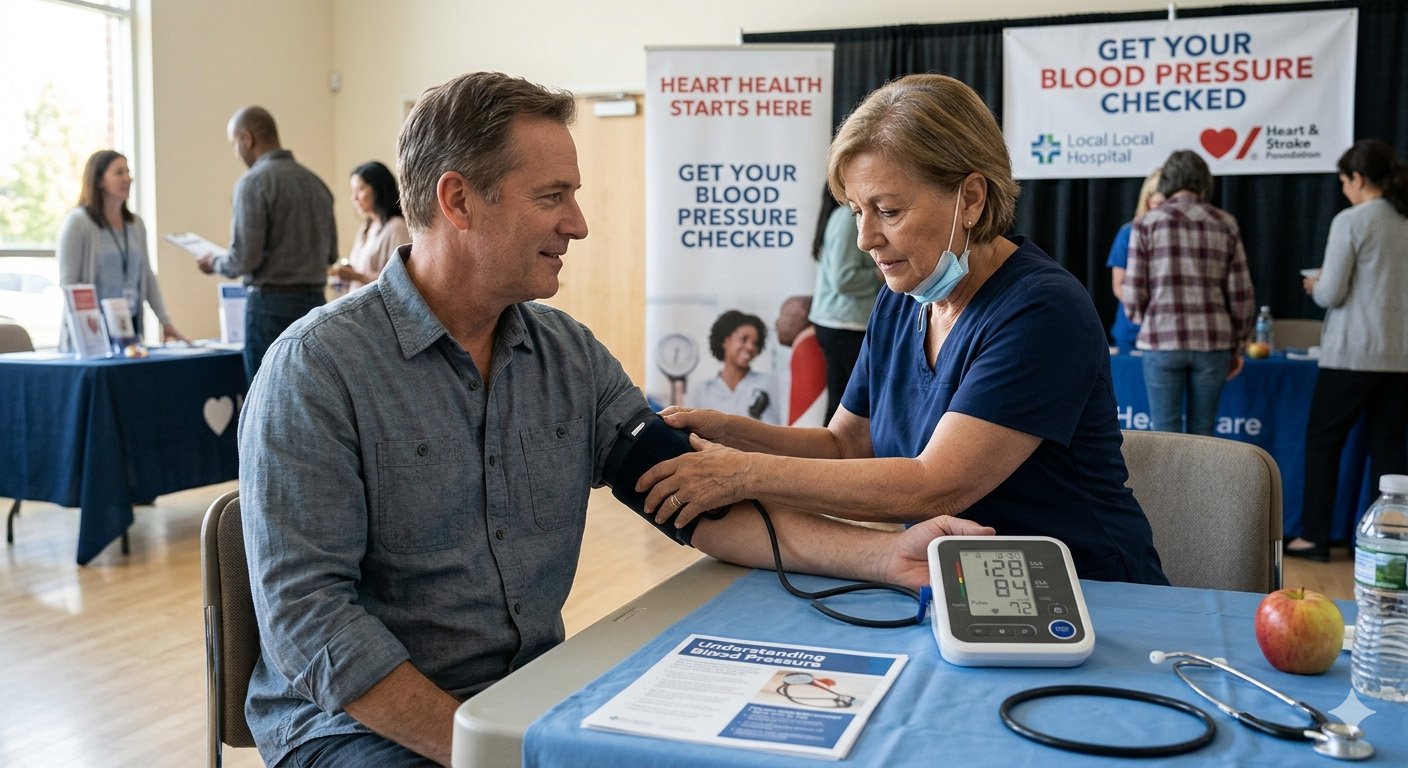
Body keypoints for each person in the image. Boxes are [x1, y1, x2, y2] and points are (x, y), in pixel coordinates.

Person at [238, 71, 994, 768]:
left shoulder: (566, 356)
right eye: (552, 196)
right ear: (459, 200)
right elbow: (311, 623)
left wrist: (882, 555)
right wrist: (481, 753)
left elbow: (694, 499)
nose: (579, 224)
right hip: (360, 729)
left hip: (525, 699)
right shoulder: (318, 370)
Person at [637, 73, 1167, 586]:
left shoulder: (1043, 310)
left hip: (1086, 591)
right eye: (855, 211)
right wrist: (732, 432)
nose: (866, 238)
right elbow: (847, 444)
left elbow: (936, 486)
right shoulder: (903, 300)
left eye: (887, 211)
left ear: (972, 199)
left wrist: (744, 472)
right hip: (956, 584)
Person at [1287, 139, 1408, 561]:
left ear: (1358, 178)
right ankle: (1389, 544)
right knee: (1390, 452)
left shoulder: (1351, 221)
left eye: (1344, 181)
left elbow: (1331, 293)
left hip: (1353, 352)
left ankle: (1315, 538)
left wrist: (1314, 283)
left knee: (1323, 442)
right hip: (1400, 355)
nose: (1343, 190)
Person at [196, 105, 337, 384]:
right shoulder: (317, 184)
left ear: (247, 138)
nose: (236, 152)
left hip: (270, 307)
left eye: (235, 143)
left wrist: (214, 262)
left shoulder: (253, 183)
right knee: (312, 398)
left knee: (266, 401)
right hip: (316, 305)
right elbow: (330, 255)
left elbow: (244, 260)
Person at [1123, 150, 1254, 435]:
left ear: (1167, 182)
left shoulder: (1146, 223)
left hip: (1162, 341)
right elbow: (1241, 293)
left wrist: (1143, 317)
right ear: (1204, 182)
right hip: (1214, 343)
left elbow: (1133, 292)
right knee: (1203, 434)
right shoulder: (1225, 223)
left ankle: (1167, 483)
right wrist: (1240, 341)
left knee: (1165, 433)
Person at [57, 150, 188, 348]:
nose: (127, 178)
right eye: (119, 173)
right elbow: (69, 282)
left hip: (129, 328)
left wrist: (165, 321)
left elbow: (147, 277)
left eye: (128, 172)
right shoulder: (78, 222)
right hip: (92, 331)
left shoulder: (135, 225)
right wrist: (87, 323)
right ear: (99, 180)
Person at [809, 188, 882, 422]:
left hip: (840, 323)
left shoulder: (844, 216)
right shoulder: (847, 219)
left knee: (843, 406)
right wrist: (882, 275)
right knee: (851, 410)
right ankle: (834, 457)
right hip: (846, 325)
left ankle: (831, 456)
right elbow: (844, 279)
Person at [330, 160, 411, 294]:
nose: (354, 198)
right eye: (353, 191)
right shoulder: (366, 228)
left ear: (378, 189)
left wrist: (357, 276)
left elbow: (401, 279)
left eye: (360, 189)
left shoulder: (397, 227)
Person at [1105, 169, 1163, 353]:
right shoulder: (1127, 233)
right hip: (1132, 331)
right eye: (1158, 204)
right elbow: (1118, 286)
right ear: (1147, 201)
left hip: (1169, 333)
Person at [688, 309, 781, 424]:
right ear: (725, 341)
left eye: (755, 343)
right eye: (743, 339)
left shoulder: (768, 384)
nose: (750, 347)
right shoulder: (701, 391)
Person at [776, 295, 826, 426]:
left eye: (782, 315)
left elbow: (807, 424)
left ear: (803, 316)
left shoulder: (807, 346)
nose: (777, 322)